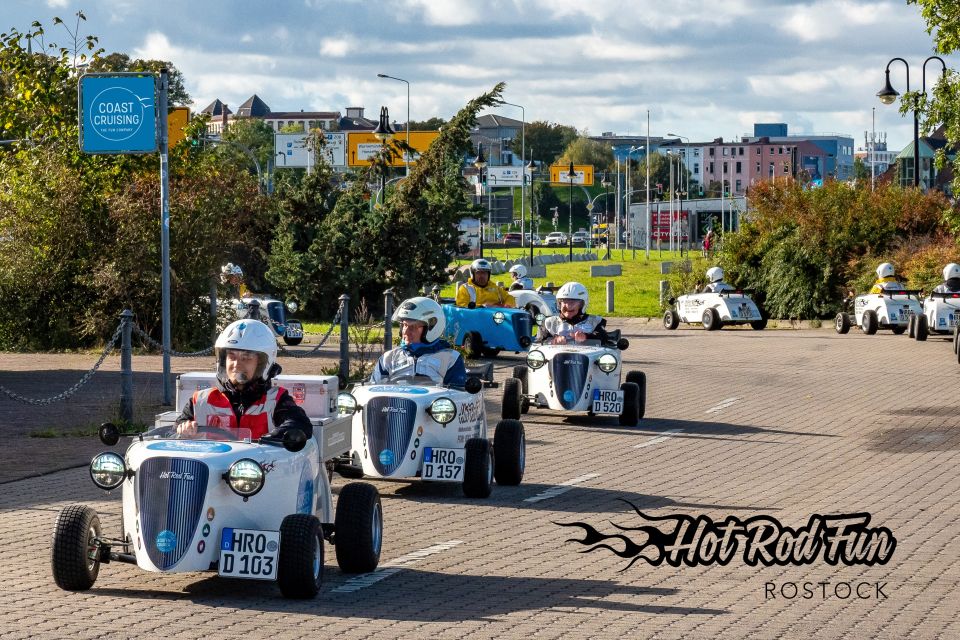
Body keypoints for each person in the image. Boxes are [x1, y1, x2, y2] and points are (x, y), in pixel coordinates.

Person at [175, 319, 311, 439]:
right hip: (213, 467)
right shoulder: (201, 401)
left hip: (263, 466)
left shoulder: (276, 400)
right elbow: (172, 434)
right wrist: (184, 430)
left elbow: (300, 424)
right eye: (231, 356)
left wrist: (274, 436)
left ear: (263, 364)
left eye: (246, 358)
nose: (236, 364)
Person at [371, 297, 467, 386]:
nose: (405, 331)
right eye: (404, 325)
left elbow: (457, 396)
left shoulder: (451, 359)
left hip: (431, 404)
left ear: (431, 328)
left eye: (413, 327)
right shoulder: (388, 358)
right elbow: (373, 390)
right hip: (395, 404)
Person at [539, 282, 609, 345]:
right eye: (565, 301)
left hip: (587, 358)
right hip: (556, 358)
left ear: (582, 305)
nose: (568, 306)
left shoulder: (595, 321)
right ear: (559, 304)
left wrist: (586, 336)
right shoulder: (548, 323)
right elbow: (540, 342)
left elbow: (603, 337)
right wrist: (554, 340)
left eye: (573, 301)